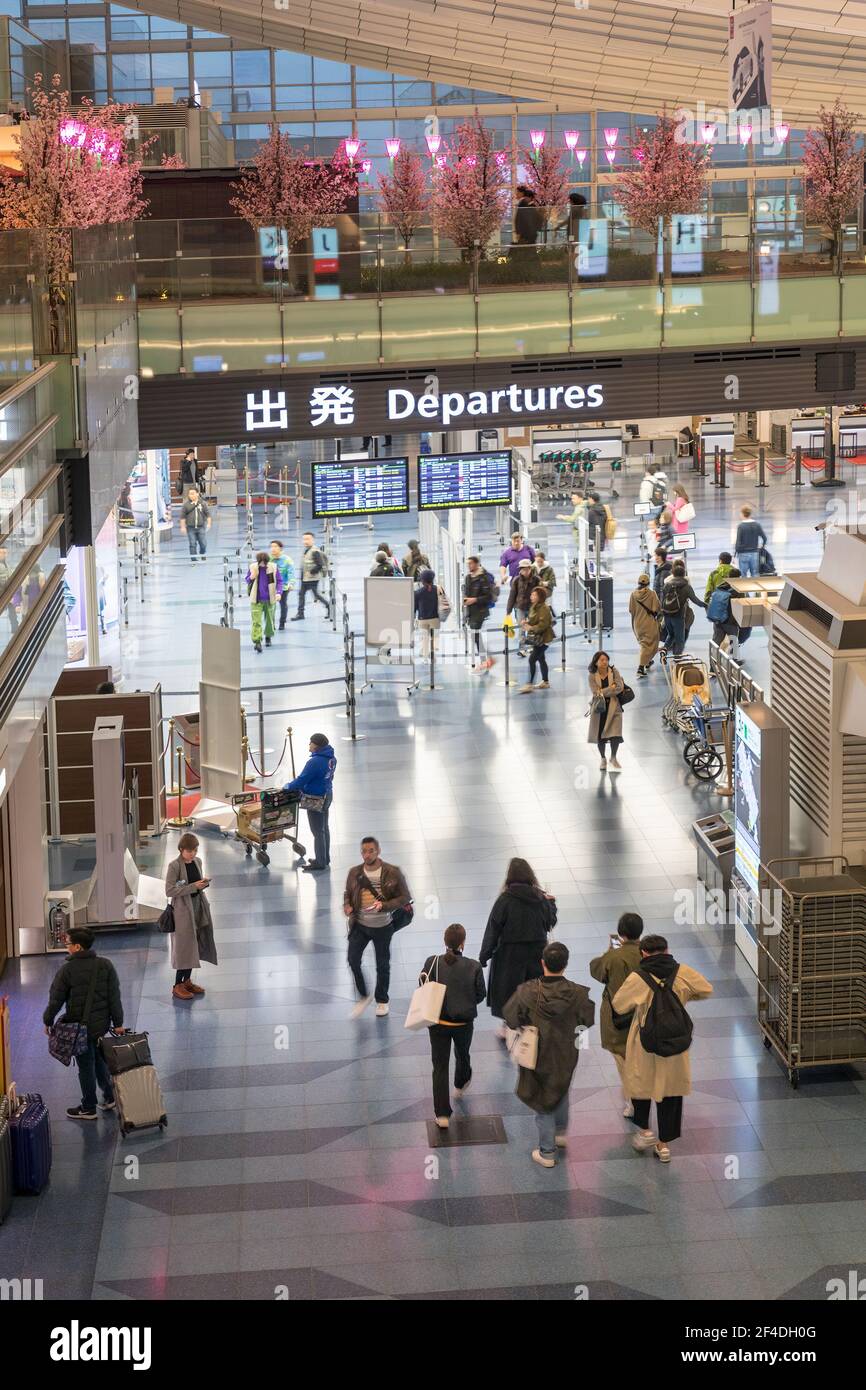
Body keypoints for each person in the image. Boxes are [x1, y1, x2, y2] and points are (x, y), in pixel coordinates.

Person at [611, 933, 713, 1163]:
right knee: (671, 1091)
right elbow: (706, 989)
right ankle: (664, 1146)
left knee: (641, 1084)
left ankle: (645, 1131)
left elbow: (619, 1004)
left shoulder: (638, 977)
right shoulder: (682, 971)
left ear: (643, 953)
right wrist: (683, 998)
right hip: (674, 1042)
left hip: (645, 1042)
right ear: (667, 950)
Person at [502, 941, 595, 1168]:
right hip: (565, 1051)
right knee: (560, 1086)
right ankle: (561, 1133)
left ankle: (547, 1152)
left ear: (542, 963)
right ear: (565, 964)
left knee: (542, 1098)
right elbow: (588, 1021)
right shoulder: (579, 994)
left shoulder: (527, 991)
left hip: (537, 1052)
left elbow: (510, 1016)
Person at [43, 926, 124, 1121]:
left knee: (86, 1066)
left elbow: (56, 999)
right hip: (101, 1025)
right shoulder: (105, 965)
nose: (66, 946)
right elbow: (115, 997)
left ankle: (88, 1107)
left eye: (68, 943)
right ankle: (110, 1096)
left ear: (78, 947)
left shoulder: (67, 970)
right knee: (98, 1059)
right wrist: (118, 1023)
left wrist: (48, 1020)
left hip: (80, 1027)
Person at [479, 858, 557, 1037]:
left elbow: (494, 928)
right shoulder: (540, 898)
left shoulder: (505, 900)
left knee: (510, 991)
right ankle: (531, 1025)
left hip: (509, 955)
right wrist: (552, 905)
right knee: (533, 991)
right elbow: (549, 922)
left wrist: (485, 955)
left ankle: (510, 1026)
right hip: (537, 953)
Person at [420, 924, 486, 1129]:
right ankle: (461, 1082)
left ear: (445, 942)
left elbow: (423, 987)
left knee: (439, 1067)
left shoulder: (433, 962)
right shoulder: (474, 966)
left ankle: (442, 1115)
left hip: (438, 1023)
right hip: (463, 1024)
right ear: (463, 943)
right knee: (463, 1054)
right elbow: (480, 995)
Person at [345, 837, 412, 1018]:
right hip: (360, 924)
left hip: (382, 926)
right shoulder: (354, 872)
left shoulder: (392, 872)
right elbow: (348, 894)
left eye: (371, 851)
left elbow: (405, 897)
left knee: (382, 964)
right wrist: (348, 906)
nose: (367, 855)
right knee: (353, 960)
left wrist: (386, 906)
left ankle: (382, 1000)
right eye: (363, 851)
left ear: (378, 850)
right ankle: (364, 996)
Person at [589, 912, 644, 1117]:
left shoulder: (614, 957)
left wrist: (611, 950)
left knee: (624, 1060)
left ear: (621, 934)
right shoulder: (647, 953)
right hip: (644, 1015)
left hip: (619, 1021)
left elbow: (597, 970)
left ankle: (634, 1102)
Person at [165, 832, 217, 1000]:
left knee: (193, 944)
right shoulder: (174, 866)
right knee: (184, 948)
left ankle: (187, 981)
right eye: (189, 851)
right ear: (181, 849)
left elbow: (196, 883)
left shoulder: (197, 862)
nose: (193, 854)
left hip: (197, 907)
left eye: (195, 850)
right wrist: (194, 886)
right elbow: (170, 890)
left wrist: (203, 884)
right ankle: (177, 985)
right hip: (182, 911)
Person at [284, 732, 336, 872]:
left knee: (317, 831)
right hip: (327, 795)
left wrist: (287, 786)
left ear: (317, 745)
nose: (309, 745)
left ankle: (320, 862)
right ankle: (325, 858)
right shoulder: (331, 758)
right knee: (324, 828)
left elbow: (302, 780)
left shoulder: (314, 762)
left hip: (315, 798)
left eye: (311, 742)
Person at [588, 649, 625, 771]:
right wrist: (610, 688)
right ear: (596, 662)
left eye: (606, 659)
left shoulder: (614, 671)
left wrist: (604, 691)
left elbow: (619, 687)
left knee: (616, 735)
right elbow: (596, 693)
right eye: (602, 660)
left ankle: (613, 757)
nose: (605, 662)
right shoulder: (592, 675)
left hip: (614, 707)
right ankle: (603, 758)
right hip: (600, 708)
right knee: (601, 736)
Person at [660, 558, 705, 657]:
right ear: (684, 573)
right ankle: (677, 659)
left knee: (671, 635)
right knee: (680, 640)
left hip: (667, 614)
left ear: (673, 572)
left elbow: (662, 599)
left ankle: (664, 649)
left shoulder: (667, 584)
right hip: (678, 615)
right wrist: (705, 605)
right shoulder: (686, 586)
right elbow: (695, 600)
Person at [245, 550, 282, 653]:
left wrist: (279, 592)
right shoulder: (253, 567)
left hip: (270, 599)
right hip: (256, 600)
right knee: (256, 622)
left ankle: (268, 636)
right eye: (260, 562)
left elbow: (279, 581)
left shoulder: (273, 567)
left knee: (270, 620)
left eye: (264, 562)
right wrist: (252, 576)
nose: (262, 564)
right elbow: (247, 579)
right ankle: (257, 641)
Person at [463, 555, 495, 672]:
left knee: (475, 635)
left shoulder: (484, 578)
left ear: (477, 564)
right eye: (468, 564)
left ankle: (485, 660)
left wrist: (475, 599)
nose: (469, 566)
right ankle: (487, 659)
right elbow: (466, 593)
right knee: (475, 636)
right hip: (470, 610)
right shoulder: (468, 577)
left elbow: (488, 596)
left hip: (480, 611)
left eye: (471, 563)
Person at [708, 567, 752, 652]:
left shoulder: (720, 587)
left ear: (728, 576)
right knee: (734, 642)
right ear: (738, 577)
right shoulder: (738, 591)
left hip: (718, 620)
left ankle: (712, 662)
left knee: (716, 642)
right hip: (730, 622)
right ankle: (735, 661)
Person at [520, 584, 554, 693]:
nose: (531, 596)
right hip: (538, 638)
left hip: (544, 639)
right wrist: (527, 622)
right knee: (541, 659)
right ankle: (545, 682)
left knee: (532, 659)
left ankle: (529, 684)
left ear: (540, 597)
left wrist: (530, 627)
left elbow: (543, 624)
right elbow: (533, 619)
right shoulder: (534, 606)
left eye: (534, 595)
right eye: (532, 594)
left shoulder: (544, 608)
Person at [629, 573, 661, 677]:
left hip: (637, 624)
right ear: (648, 583)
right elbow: (656, 608)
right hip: (649, 623)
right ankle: (641, 667)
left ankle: (647, 661)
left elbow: (631, 610)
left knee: (644, 644)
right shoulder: (652, 594)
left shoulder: (633, 594)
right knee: (651, 644)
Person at [292, 533, 330, 620]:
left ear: (313, 540)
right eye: (304, 539)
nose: (306, 541)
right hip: (305, 578)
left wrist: (312, 572)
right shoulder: (306, 550)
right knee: (301, 594)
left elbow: (320, 564)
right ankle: (300, 613)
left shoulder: (315, 551)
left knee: (316, 595)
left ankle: (328, 606)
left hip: (312, 578)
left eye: (308, 539)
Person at [507, 557, 539, 656]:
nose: (524, 571)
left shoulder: (536, 580)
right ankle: (521, 649)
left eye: (526, 568)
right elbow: (512, 595)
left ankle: (530, 647)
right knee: (522, 628)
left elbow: (540, 594)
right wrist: (508, 610)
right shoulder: (516, 580)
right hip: (519, 607)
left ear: (530, 568)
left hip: (532, 607)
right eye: (522, 569)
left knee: (530, 627)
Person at [734, 505, 768, 579]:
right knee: (755, 574)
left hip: (743, 553)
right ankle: (757, 590)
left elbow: (738, 541)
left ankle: (744, 590)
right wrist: (762, 546)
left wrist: (736, 552)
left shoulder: (741, 526)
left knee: (743, 575)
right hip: (754, 553)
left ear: (742, 514)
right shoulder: (757, 525)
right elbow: (764, 538)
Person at [414, 567, 440, 659]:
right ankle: (433, 654)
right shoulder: (437, 589)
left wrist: (414, 617)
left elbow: (415, 607)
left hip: (422, 619)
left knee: (424, 639)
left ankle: (425, 657)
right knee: (434, 637)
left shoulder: (417, 592)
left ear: (422, 580)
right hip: (435, 618)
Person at [179, 487, 211, 562]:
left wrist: (209, 524)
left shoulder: (202, 503)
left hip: (201, 527)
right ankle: (193, 559)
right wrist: (183, 527)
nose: (191, 495)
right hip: (190, 528)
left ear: (197, 494)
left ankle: (202, 553)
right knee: (192, 544)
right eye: (190, 494)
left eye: (193, 493)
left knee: (203, 544)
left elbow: (208, 514)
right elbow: (182, 517)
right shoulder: (186, 505)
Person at [270, 539, 295, 630]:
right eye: (271, 547)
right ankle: (271, 623)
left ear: (280, 548)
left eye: (275, 547)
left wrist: (291, 584)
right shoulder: (269, 559)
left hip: (283, 587)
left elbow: (291, 573)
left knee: (283, 604)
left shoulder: (287, 560)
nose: (273, 549)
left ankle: (282, 622)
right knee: (270, 606)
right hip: (271, 586)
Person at [533, 550, 556, 615]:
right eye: (538, 562)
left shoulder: (549, 569)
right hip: (536, 591)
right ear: (535, 560)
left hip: (546, 591)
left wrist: (545, 583)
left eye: (541, 562)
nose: (539, 563)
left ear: (544, 560)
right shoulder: (533, 568)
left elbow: (553, 582)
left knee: (546, 608)